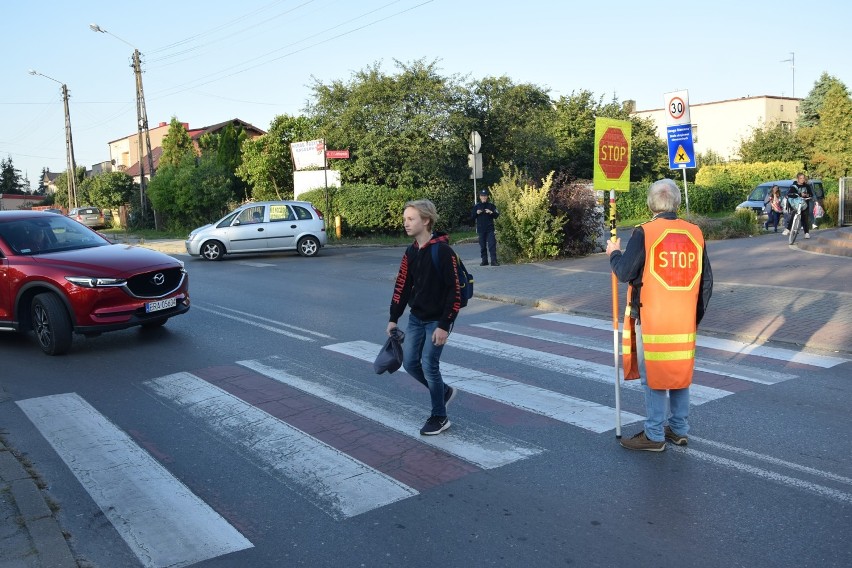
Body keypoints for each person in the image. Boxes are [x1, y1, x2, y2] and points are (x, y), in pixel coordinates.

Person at [605, 179, 713, 452]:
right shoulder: (695, 233)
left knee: (652, 375)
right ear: (675, 202)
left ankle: (654, 435)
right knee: (680, 374)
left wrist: (614, 253)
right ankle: (679, 430)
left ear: (651, 203)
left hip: (653, 319)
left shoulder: (646, 232)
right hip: (683, 319)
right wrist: (694, 316)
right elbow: (707, 282)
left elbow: (625, 272)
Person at [387, 199, 461, 436]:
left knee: (430, 365)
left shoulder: (443, 251)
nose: (406, 223)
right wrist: (393, 317)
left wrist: (444, 325)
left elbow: (454, 291)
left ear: (426, 221)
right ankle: (444, 392)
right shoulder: (410, 252)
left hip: (437, 321)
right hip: (416, 318)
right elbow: (402, 286)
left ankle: (440, 416)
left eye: (411, 219)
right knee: (409, 363)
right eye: (405, 219)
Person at [470, 189, 499, 266]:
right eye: (482, 196)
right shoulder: (477, 206)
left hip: (490, 228)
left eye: (485, 196)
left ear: (487, 196)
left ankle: (494, 261)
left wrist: (491, 212)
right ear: (480, 197)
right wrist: (476, 213)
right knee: (482, 246)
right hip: (481, 229)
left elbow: (497, 215)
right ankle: (484, 260)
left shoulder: (491, 206)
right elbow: (472, 217)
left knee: (492, 245)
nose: (484, 197)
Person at [782, 173, 812, 239]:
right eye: (801, 178)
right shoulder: (794, 186)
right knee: (793, 215)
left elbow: (811, 194)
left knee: (805, 218)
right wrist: (799, 194)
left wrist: (807, 195)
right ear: (798, 179)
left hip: (805, 204)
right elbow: (790, 194)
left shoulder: (807, 186)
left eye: (803, 178)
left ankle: (806, 233)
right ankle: (788, 229)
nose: (802, 180)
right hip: (796, 204)